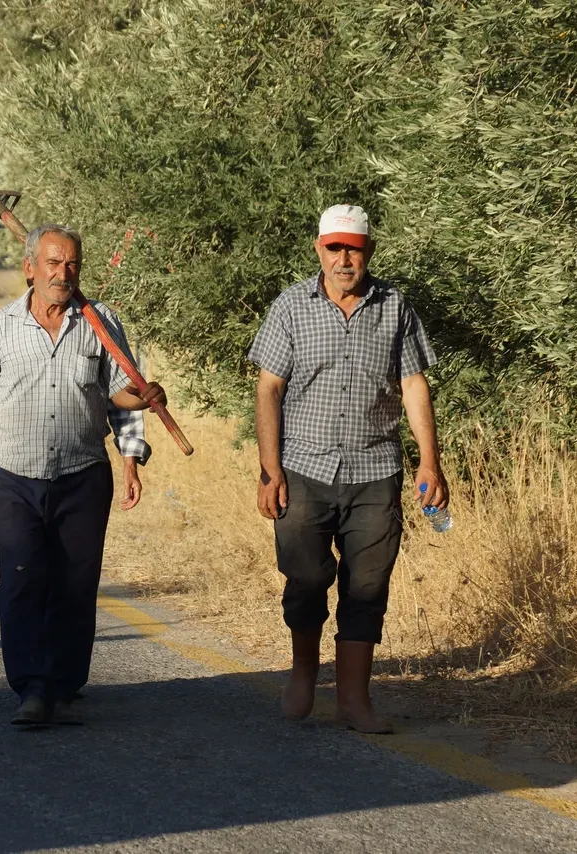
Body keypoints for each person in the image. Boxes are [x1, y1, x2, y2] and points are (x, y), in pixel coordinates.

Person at [0, 223, 166, 727]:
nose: (62, 273)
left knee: (75, 584)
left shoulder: (101, 323)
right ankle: (31, 687)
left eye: (71, 264)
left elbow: (121, 394)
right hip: (10, 476)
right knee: (22, 579)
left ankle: (64, 685)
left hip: (81, 474)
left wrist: (148, 395)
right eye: (52, 263)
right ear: (29, 268)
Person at [247, 204, 447, 734]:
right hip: (304, 467)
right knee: (307, 575)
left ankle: (355, 700)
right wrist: (270, 470)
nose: (343, 258)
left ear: (368, 253)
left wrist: (430, 461)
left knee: (368, 584)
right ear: (319, 250)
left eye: (352, 249)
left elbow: (412, 386)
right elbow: (269, 389)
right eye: (333, 248)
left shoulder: (395, 306)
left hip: (375, 468)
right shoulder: (291, 307)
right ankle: (304, 676)